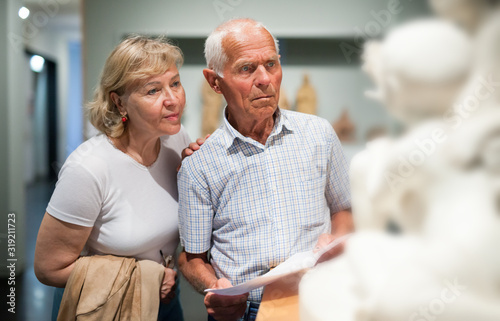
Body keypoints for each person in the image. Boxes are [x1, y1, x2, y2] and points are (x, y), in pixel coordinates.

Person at [177, 19, 353, 321]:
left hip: (319, 302)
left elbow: (344, 210)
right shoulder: (198, 165)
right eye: (247, 69)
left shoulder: (319, 135)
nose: (265, 79)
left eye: (271, 64)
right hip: (244, 312)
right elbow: (193, 258)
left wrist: (337, 242)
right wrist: (215, 289)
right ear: (214, 82)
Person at [34, 35, 189, 321]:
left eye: (175, 83)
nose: (173, 99)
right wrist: (146, 279)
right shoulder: (89, 168)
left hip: (167, 301)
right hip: (107, 307)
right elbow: (48, 269)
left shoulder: (177, 140)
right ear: (120, 103)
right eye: (153, 90)